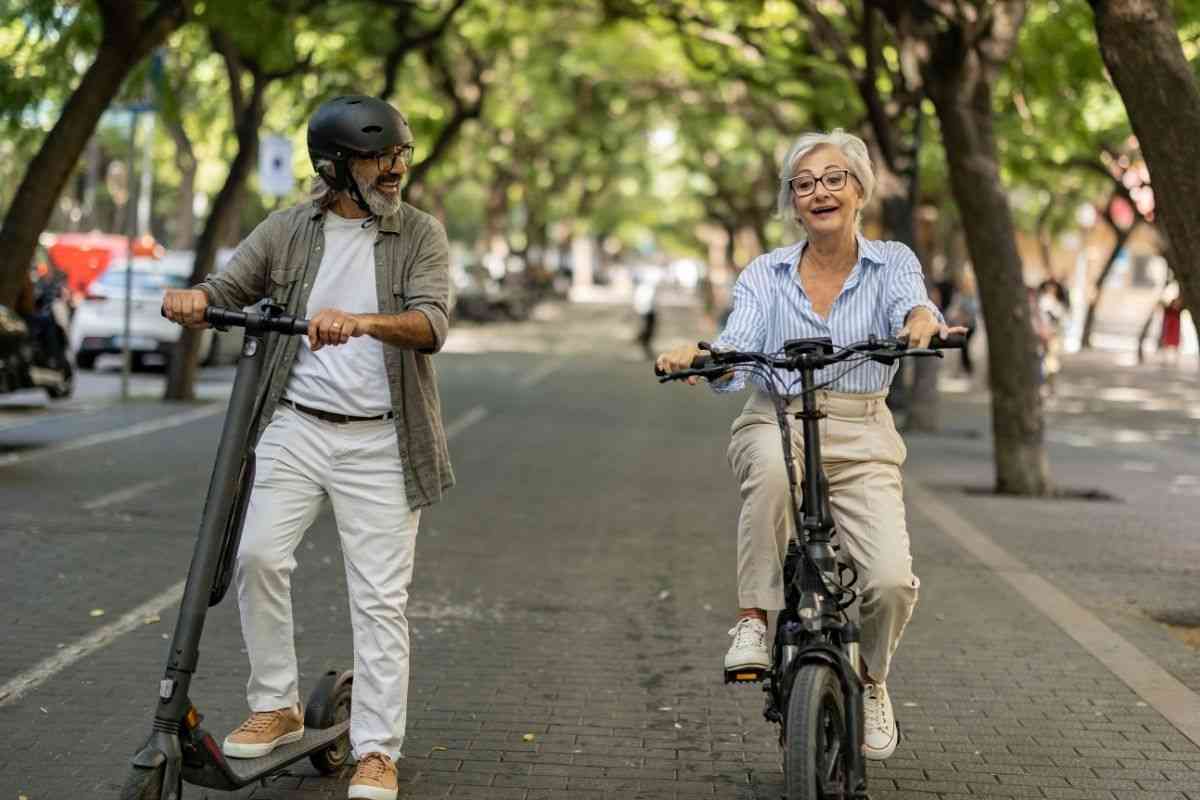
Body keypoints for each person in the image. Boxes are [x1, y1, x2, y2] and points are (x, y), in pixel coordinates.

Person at [162, 95, 453, 800]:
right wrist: (197, 299)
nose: (395, 169)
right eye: (378, 158)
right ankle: (278, 706)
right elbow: (229, 285)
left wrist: (363, 322)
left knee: (380, 598)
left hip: (382, 438)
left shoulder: (419, 234)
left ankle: (378, 749)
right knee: (256, 554)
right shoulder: (291, 229)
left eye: (399, 155)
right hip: (295, 424)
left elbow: (432, 322)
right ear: (336, 167)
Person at [655, 129, 964, 761]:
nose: (818, 192)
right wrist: (704, 356)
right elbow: (737, 342)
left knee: (889, 583)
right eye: (803, 184)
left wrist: (921, 325)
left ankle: (873, 681)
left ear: (858, 189)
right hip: (778, 415)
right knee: (769, 467)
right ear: (791, 202)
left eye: (832, 179)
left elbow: (914, 307)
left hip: (862, 428)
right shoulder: (765, 274)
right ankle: (754, 617)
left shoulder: (892, 261)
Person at [1037, 279, 1069, 395]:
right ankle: (1043, 385)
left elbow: (1062, 320)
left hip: (1054, 336)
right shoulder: (1041, 302)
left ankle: (1050, 385)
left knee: (1052, 362)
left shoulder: (1058, 304)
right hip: (1042, 336)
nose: (1051, 290)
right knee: (1042, 362)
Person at [1159, 295, 1184, 366]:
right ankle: (1164, 360)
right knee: (1166, 345)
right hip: (1169, 330)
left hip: (1175, 331)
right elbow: (1165, 323)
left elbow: (1179, 324)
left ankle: (1176, 361)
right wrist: (1164, 333)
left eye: (1178, 303)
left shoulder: (1178, 312)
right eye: (1176, 303)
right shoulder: (1168, 311)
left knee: (1176, 345)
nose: (1177, 304)